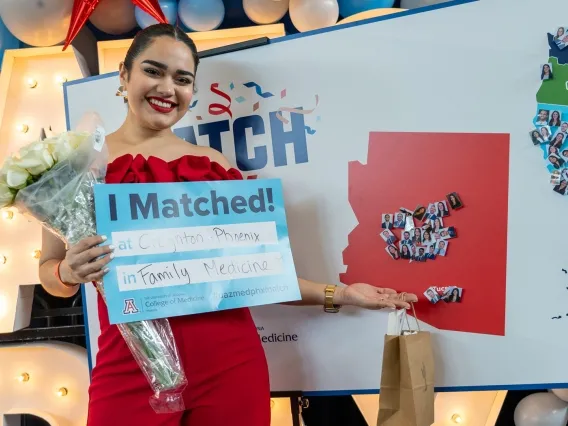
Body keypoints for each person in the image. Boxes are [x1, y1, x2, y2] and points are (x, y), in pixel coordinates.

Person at [37, 24, 417, 426]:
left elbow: (260, 273)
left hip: (229, 363)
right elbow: (49, 273)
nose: (168, 88)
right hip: (129, 364)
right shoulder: (74, 167)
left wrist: (343, 293)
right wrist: (67, 271)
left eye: (182, 79)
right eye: (154, 71)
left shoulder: (214, 167)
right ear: (124, 75)